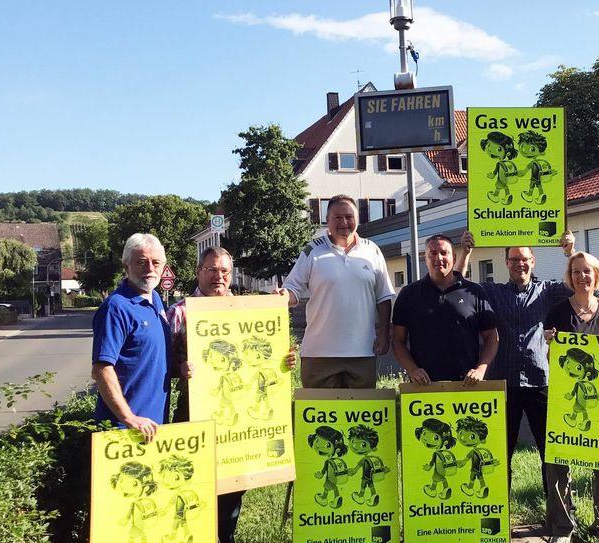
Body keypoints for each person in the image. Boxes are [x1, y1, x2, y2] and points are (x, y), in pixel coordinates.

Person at [168, 246, 296, 543]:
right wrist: (179, 367)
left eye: (224, 271)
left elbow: (266, 356)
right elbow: (160, 362)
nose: (219, 277)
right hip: (193, 413)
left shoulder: (246, 310)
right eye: (211, 270)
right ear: (198, 272)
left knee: (230, 491)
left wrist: (285, 361)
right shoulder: (180, 312)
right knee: (194, 486)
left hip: (239, 420)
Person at [456, 230, 574, 491]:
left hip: (539, 381)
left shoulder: (547, 291)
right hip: (503, 383)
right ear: (506, 263)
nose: (520, 263)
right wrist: (465, 252)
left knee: (551, 453)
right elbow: (459, 282)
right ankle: (501, 510)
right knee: (500, 452)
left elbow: (578, 281)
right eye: (514, 259)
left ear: (533, 261)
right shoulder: (493, 292)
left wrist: (569, 253)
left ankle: (557, 515)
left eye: (525, 259)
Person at [543, 251, 599, 542]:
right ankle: (563, 528)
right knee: (559, 463)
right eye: (576, 272)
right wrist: (550, 344)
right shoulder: (558, 311)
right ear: (570, 277)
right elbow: (552, 359)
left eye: (587, 271)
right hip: (565, 397)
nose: (581, 276)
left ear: (597, 275)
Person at [281, 194, 395, 389]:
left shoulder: (372, 251)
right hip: (319, 354)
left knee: (360, 415)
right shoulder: (312, 251)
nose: (344, 222)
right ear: (328, 220)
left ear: (357, 219)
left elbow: (384, 297)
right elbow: (293, 289)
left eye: (349, 217)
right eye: (337, 217)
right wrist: (281, 296)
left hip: (362, 352)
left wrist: (384, 334)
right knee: (319, 415)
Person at [92, 233, 170, 443]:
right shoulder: (115, 307)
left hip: (155, 428)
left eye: (156, 263)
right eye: (142, 262)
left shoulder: (155, 300)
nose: (150, 269)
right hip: (124, 431)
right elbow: (102, 369)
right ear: (126, 265)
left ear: (163, 266)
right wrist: (129, 418)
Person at [391, 234, 498, 385]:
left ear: (454, 257)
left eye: (444, 253)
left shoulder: (474, 292)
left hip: (467, 385)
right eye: (432, 253)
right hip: (424, 386)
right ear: (425, 258)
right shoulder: (409, 294)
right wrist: (412, 369)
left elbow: (492, 337)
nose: (438, 258)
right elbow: (397, 341)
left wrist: (480, 369)